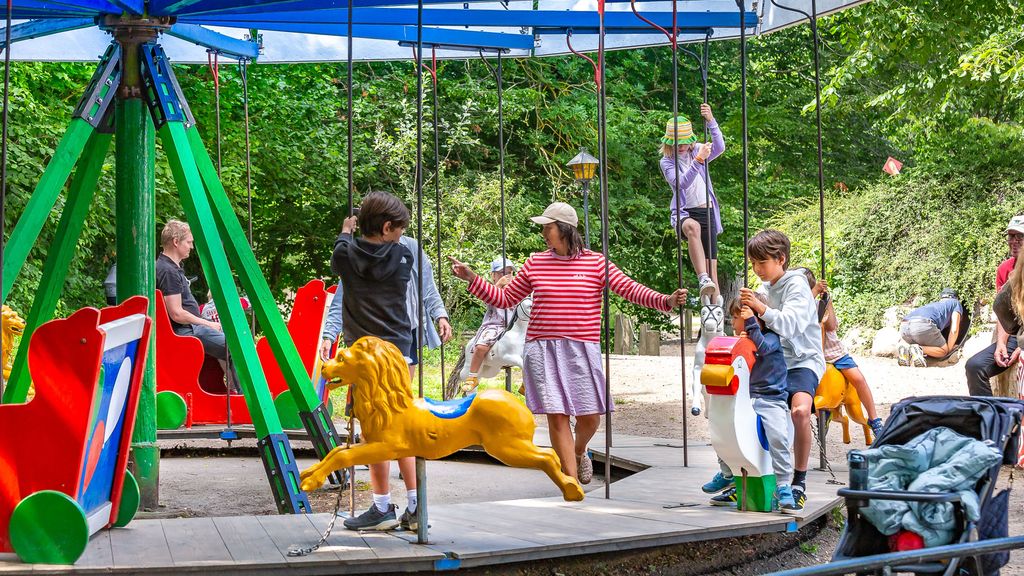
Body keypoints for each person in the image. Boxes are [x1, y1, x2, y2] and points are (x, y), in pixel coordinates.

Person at [449, 202, 687, 485]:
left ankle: (578, 450)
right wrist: (472, 278)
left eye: (547, 227)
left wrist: (666, 301)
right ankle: (571, 484)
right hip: (542, 349)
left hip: (581, 349)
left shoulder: (595, 263)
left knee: (591, 417)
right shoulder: (536, 263)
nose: (543, 233)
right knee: (557, 416)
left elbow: (630, 289)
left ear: (564, 229)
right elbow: (505, 299)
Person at [327, 191, 444, 534]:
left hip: (365, 355)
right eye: (399, 228)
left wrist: (346, 231)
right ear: (387, 227)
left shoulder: (345, 255)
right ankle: (415, 503)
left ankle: (382, 506)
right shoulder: (404, 256)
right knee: (399, 425)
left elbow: (341, 254)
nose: (402, 234)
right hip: (397, 351)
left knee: (373, 430)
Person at [740, 230, 824, 513]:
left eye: (762, 263)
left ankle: (799, 482)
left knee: (799, 412)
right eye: (753, 263)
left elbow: (790, 325)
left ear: (781, 259)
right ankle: (743, 475)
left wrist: (759, 307)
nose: (757, 269)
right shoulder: (765, 286)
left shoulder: (796, 285)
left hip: (802, 360)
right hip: (775, 359)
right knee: (746, 407)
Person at [703, 293, 798, 513]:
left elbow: (763, 348)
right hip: (747, 398)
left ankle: (784, 484)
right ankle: (727, 473)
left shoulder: (772, 337)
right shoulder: (743, 340)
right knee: (722, 429)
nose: (733, 323)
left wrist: (752, 325)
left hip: (770, 399)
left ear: (754, 318)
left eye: (737, 317)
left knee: (778, 437)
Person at [800, 269, 884, 436]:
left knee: (858, 379)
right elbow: (801, 312)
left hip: (833, 354)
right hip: (810, 355)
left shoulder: (818, 304)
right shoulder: (798, 307)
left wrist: (827, 301)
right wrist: (814, 292)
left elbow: (831, 326)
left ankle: (873, 418)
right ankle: (822, 413)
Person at [660, 103, 725, 300]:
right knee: (692, 228)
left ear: (691, 140)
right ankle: (702, 278)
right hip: (685, 212)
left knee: (713, 269)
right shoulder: (667, 161)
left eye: (684, 142)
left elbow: (720, 147)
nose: (680, 146)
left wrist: (711, 120)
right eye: (676, 143)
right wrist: (698, 160)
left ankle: (713, 308)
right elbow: (682, 183)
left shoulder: (696, 149)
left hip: (707, 210)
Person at [156, 220, 230, 363]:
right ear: (176, 242)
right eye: (189, 242)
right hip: (187, 330)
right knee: (238, 350)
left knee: (234, 341)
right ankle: (242, 380)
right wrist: (207, 324)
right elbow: (177, 313)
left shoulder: (169, 267)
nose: (191, 246)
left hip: (192, 327)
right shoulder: (168, 271)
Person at [966, 215, 1023, 396]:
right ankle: (988, 412)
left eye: (1020, 237)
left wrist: (1022, 347)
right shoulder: (1005, 269)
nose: (1014, 241)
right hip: (1015, 333)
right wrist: (1001, 344)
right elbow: (1004, 314)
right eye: (1011, 236)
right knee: (975, 367)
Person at [461, 257, 518, 394]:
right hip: (495, 325)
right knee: (481, 347)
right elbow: (487, 301)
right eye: (502, 273)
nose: (506, 276)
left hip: (512, 326)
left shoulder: (516, 290)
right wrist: (498, 285)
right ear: (493, 275)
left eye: (509, 273)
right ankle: (472, 376)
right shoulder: (491, 289)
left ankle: (529, 379)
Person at [898, 289, 963, 367]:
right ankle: (919, 349)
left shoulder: (934, 304)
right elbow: (954, 329)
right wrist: (949, 349)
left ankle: (907, 350)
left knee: (925, 344)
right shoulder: (955, 303)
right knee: (943, 351)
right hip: (922, 326)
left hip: (904, 327)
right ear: (955, 297)